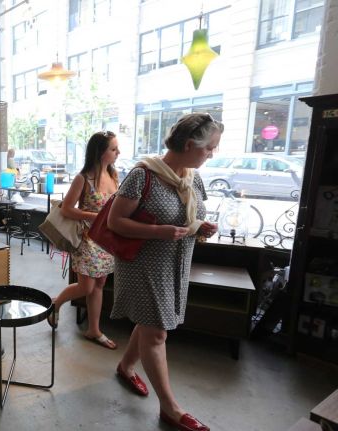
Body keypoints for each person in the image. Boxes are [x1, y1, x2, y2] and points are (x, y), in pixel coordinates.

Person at [108, 113, 221, 431]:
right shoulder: (142, 175)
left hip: (176, 262)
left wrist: (201, 227)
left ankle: (126, 368)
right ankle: (170, 409)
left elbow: (189, 218)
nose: (211, 154)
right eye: (209, 148)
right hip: (143, 263)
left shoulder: (192, 177)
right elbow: (115, 222)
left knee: (149, 323)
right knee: (157, 331)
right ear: (189, 145)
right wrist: (159, 232)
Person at [48, 130, 120, 350]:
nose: (118, 153)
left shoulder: (114, 175)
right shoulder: (83, 178)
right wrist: (93, 216)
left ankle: (94, 330)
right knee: (86, 287)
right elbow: (67, 209)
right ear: (100, 152)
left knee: (99, 285)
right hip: (87, 238)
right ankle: (56, 303)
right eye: (113, 149)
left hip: (107, 240)